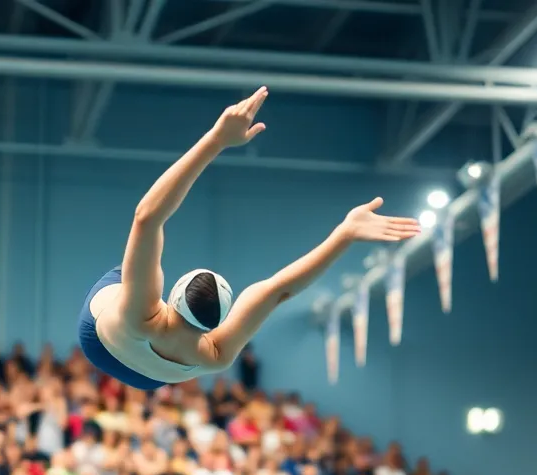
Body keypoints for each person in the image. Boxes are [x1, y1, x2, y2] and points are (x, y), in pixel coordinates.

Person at [77, 86, 419, 390]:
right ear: (217, 320)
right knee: (155, 274)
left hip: (101, 339)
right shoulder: (217, 354)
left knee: (137, 266)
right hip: (151, 378)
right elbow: (280, 289)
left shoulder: (141, 313)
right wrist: (344, 235)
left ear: (174, 297)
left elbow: (148, 217)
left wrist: (216, 140)